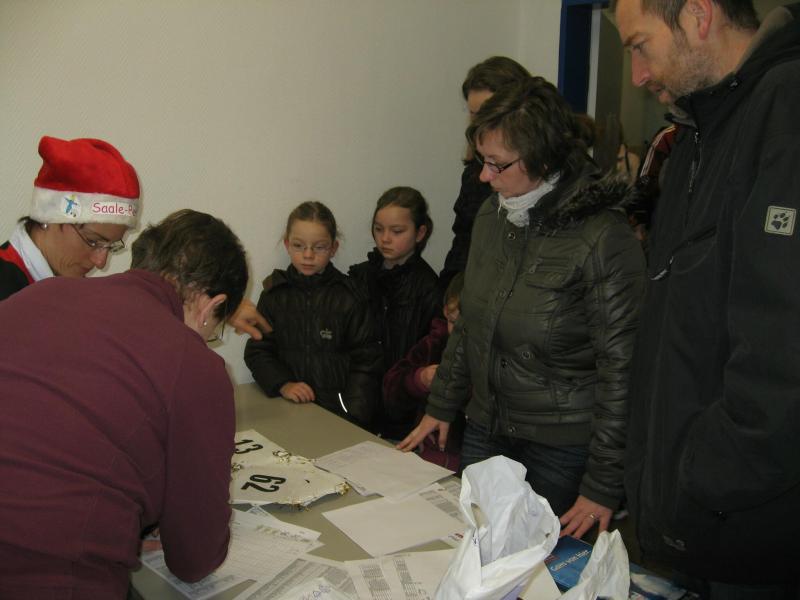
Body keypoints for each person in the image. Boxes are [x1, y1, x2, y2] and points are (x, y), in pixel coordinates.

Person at [398, 76, 646, 541]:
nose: (484, 177)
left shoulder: (602, 237)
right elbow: (470, 322)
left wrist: (603, 483)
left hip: (561, 446)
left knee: (537, 567)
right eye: (482, 161)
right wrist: (443, 404)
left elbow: (623, 369)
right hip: (487, 426)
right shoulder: (493, 215)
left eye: (497, 164)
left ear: (543, 158)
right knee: (473, 549)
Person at [614, 0, 800, 595]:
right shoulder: (699, 131)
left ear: (697, 16)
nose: (638, 75)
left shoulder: (785, 111)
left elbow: (784, 355)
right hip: (698, 523)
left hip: (752, 532)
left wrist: (700, 473)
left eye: (640, 46)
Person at [0, 209, 248, 597]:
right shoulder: (193, 362)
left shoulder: (38, 294)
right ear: (209, 305)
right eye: (213, 332)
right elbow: (194, 560)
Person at [244, 201, 381, 430]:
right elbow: (258, 351)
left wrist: (353, 416)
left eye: (319, 247)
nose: (308, 255)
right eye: (299, 245)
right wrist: (283, 384)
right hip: (287, 411)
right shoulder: (274, 294)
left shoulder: (350, 297)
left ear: (333, 248)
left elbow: (367, 361)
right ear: (287, 244)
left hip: (339, 416)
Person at [0, 135, 138, 301]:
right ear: (48, 218)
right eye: (93, 241)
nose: (100, 262)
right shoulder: (7, 295)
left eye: (111, 247)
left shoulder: (74, 293)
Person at [438, 56, 531, 293]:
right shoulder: (474, 173)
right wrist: (451, 290)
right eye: (473, 115)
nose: (479, 125)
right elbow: (463, 241)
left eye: (487, 115)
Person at [348, 186, 440, 376]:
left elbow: (430, 355)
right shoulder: (360, 276)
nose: (385, 239)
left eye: (397, 231)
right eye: (378, 229)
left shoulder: (430, 289)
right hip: (360, 384)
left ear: (420, 233)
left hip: (404, 388)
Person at [382, 272, 466, 469]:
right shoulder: (435, 344)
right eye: (453, 322)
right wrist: (420, 378)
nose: (458, 332)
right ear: (445, 313)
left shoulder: (492, 357)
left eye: (467, 326)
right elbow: (390, 390)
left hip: (464, 463)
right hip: (422, 457)